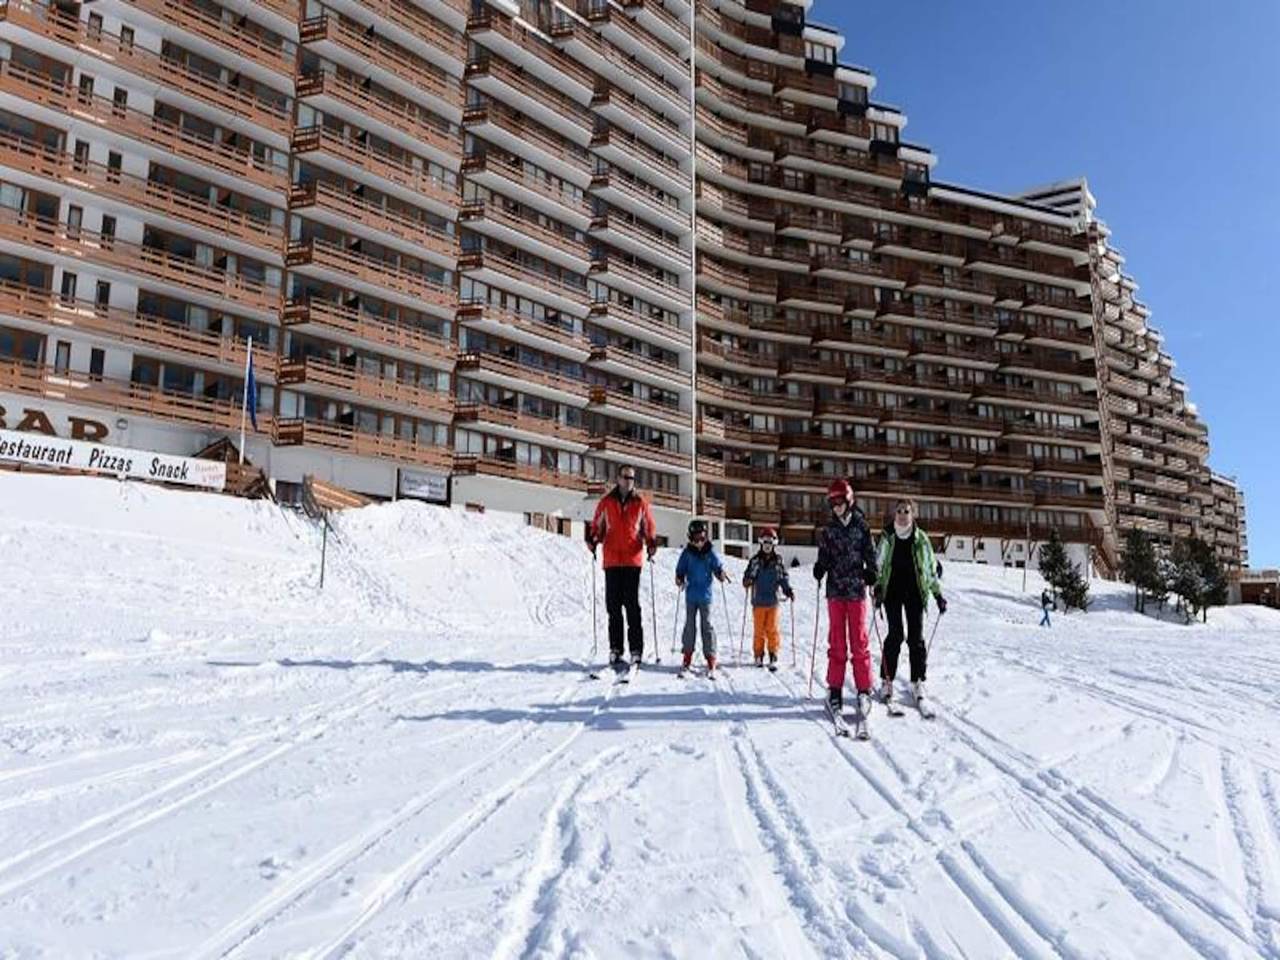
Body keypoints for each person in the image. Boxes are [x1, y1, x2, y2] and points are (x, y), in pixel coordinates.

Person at [813, 478, 878, 722]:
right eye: (833, 503)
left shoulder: (861, 527)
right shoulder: (829, 530)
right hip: (835, 592)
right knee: (837, 642)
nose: (837, 506)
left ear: (849, 501)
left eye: (840, 501)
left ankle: (864, 689)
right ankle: (835, 689)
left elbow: (870, 554)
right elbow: (824, 555)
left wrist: (872, 571)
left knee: (859, 641)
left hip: (856, 591)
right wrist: (820, 567)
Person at [873, 499, 946, 712]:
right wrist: (878, 587)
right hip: (892, 592)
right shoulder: (887, 536)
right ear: (894, 514)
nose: (903, 514)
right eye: (899, 511)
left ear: (913, 514)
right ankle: (887, 681)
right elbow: (878, 564)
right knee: (895, 635)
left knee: (916, 637)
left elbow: (930, 569)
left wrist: (938, 595)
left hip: (915, 592)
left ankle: (917, 681)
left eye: (907, 511)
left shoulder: (921, 539)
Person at [588, 466, 657, 667]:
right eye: (626, 477)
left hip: (632, 560)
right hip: (611, 560)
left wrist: (651, 543)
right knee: (613, 607)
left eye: (632, 478)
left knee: (632, 606)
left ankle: (636, 650)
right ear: (618, 478)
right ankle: (616, 649)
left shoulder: (640, 503)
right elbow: (597, 526)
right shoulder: (606, 502)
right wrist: (593, 539)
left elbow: (648, 527)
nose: (629, 481)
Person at [675, 519, 728, 674]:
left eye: (702, 538)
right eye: (696, 538)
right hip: (691, 595)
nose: (699, 542)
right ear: (690, 537)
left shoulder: (709, 552)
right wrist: (679, 577)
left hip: (705, 596)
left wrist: (720, 573)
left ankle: (710, 656)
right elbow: (680, 569)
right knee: (690, 626)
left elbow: (717, 566)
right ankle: (687, 654)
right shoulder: (687, 553)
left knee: (707, 625)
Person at [743, 526, 794, 668]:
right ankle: (758, 654)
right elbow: (748, 575)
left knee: (772, 628)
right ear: (761, 542)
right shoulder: (755, 561)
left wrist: (787, 589)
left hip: (772, 601)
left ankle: (773, 653)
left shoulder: (778, 561)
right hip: (758, 601)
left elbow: (782, 577)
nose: (767, 546)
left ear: (774, 544)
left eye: (770, 542)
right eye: (765, 542)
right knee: (759, 630)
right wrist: (747, 580)